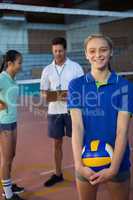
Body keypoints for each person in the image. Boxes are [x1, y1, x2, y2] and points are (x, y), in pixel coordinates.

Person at [67, 34, 133, 200]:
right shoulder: (76, 85)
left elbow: (122, 131)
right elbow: (77, 127)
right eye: (92, 51)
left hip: (118, 161)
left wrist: (114, 168)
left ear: (111, 52)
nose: (98, 55)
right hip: (86, 160)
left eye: (103, 50)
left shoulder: (125, 86)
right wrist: (78, 165)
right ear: (86, 54)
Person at [40, 37, 84, 187]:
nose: (57, 53)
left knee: (78, 142)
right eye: (55, 51)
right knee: (56, 144)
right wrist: (52, 96)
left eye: (60, 50)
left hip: (73, 111)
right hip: (54, 112)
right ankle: (58, 174)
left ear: (65, 50)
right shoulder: (47, 70)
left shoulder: (76, 67)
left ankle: (82, 171)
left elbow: (82, 89)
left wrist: (72, 97)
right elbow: (43, 92)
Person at [0, 50, 25, 200]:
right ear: (10, 64)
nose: (21, 65)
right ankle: (8, 195)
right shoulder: (2, 78)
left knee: (11, 156)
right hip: (4, 124)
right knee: (6, 159)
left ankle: (7, 186)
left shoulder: (12, 78)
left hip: (12, 121)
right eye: (19, 63)